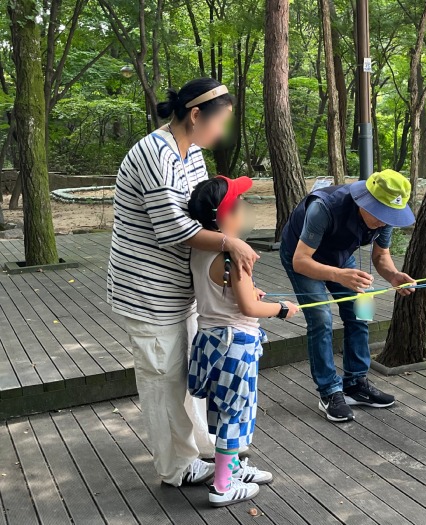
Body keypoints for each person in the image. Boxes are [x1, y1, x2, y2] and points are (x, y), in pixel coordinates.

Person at [107, 78, 259, 487]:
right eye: (220, 123)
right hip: (149, 290)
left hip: (182, 288)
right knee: (162, 379)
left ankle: (204, 448)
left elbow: (201, 209)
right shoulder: (155, 154)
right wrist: (231, 243)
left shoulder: (190, 152)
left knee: (185, 375)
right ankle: (176, 466)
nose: (222, 132)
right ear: (195, 115)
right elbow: (174, 228)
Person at [187, 176, 299, 507]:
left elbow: (226, 292)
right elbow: (249, 308)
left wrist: (249, 289)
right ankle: (222, 484)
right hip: (235, 343)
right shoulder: (234, 256)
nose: (245, 211)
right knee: (234, 412)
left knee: (224, 406)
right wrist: (280, 308)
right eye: (240, 206)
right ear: (225, 215)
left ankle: (232, 467)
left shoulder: (202, 247)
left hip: (210, 339)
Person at [279, 169, 416, 422]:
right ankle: (329, 391)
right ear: (366, 200)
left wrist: (394, 276)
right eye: (380, 214)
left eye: (390, 215)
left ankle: (355, 384)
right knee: (321, 319)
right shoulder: (324, 208)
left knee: (361, 310)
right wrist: (339, 275)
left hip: (340, 255)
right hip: (303, 257)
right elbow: (300, 261)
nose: (384, 221)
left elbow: (381, 256)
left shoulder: (384, 219)